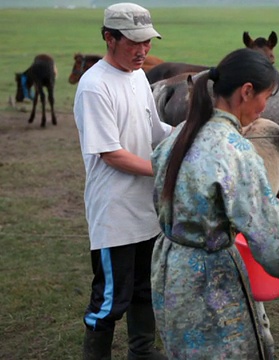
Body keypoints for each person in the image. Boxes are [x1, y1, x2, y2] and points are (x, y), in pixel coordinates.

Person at [150, 48, 279, 359]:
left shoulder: (178, 137)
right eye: (266, 96)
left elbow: (179, 202)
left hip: (170, 274)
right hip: (211, 285)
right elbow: (275, 251)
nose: (266, 108)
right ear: (247, 91)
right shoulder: (237, 152)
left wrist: (248, 211)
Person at [73, 3, 173, 359]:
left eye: (146, 41)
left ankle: (142, 352)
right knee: (111, 298)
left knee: (145, 289)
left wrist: (189, 136)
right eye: (133, 42)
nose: (142, 50)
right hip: (114, 214)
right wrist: (163, 169)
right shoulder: (94, 87)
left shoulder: (137, 76)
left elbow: (155, 131)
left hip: (145, 209)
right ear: (109, 38)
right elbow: (111, 153)